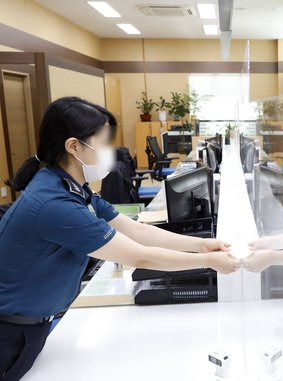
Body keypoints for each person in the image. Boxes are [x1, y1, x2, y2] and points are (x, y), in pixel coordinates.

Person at [0, 97, 239, 380]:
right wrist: (208, 261)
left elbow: (136, 230)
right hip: (12, 333)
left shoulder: (74, 188)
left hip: (34, 324)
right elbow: (139, 255)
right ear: (74, 146)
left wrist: (201, 245)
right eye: (103, 143)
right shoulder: (55, 204)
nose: (110, 151)